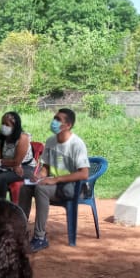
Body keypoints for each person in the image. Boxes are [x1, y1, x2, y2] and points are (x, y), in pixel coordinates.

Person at [18, 108, 90, 252]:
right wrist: (38, 176)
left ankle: (40, 237)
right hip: (57, 184)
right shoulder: (51, 141)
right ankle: (20, 232)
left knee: (41, 189)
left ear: (68, 125)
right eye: (54, 118)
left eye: (58, 120)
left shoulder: (76, 144)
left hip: (75, 187)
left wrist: (55, 179)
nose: (54, 122)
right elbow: (46, 168)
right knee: (26, 188)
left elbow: (84, 174)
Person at [0, 111, 35, 199]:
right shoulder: (0, 139)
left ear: (15, 126)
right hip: (6, 168)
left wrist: (5, 163)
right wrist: (9, 164)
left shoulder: (23, 138)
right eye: (2, 123)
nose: (3, 126)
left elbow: (16, 161)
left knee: (1, 178)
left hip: (26, 167)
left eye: (7, 124)